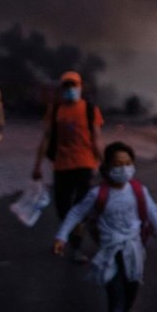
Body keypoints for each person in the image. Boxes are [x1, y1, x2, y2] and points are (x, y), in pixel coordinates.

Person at [52, 141, 157, 312]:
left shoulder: (138, 190)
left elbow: (152, 213)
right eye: (118, 164)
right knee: (116, 296)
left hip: (134, 251)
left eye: (128, 163)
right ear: (107, 167)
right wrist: (61, 237)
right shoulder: (98, 194)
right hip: (110, 253)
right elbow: (76, 213)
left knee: (131, 289)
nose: (124, 168)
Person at [32, 71, 104, 264]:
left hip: (85, 165)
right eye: (66, 86)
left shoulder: (90, 109)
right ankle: (80, 239)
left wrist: (104, 164)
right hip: (62, 166)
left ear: (80, 87)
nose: (70, 89)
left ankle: (77, 247)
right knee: (63, 209)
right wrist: (37, 165)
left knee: (80, 209)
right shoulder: (55, 110)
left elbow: (96, 139)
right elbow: (46, 138)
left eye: (73, 85)